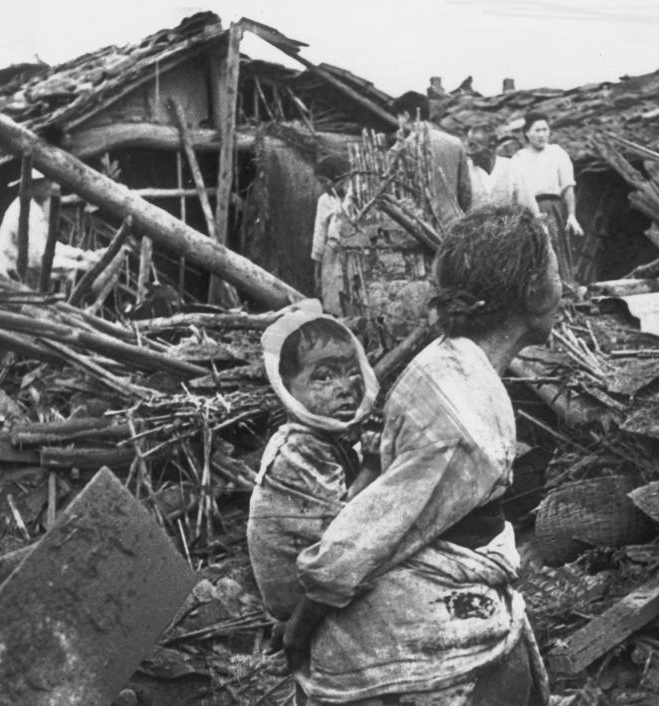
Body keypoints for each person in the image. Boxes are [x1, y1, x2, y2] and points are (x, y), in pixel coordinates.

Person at [285, 206, 559, 705]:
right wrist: (299, 628)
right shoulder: (464, 420)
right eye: (557, 268)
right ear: (535, 291)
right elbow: (358, 540)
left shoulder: (446, 360)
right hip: (415, 650)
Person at [247, 304, 379, 623]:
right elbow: (344, 529)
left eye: (351, 372)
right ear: (288, 389)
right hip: (298, 602)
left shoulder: (324, 439)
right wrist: (373, 467)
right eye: (324, 377)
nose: (345, 387)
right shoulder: (298, 447)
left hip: (312, 586)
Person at [0, 170, 103, 283]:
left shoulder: (34, 208)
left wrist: (81, 255)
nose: (50, 185)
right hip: (4, 280)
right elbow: (38, 259)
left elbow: (49, 246)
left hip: (17, 280)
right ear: (34, 185)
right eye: (46, 181)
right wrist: (78, 266)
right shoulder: (27, 212)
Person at [509, 112, 584, 283]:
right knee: (534, 252)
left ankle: (565, 290)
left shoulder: (557, 153)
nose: (542, 135)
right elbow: (515, 191)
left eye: (545, 130)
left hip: (552, 208)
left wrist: (571, 215)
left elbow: (567, 186)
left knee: (556, 249)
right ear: (527, 133)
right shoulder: (518, 158)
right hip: (528, 210)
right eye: (537, 130)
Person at [390, 91, 472, 234]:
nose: (398, 122)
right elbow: (466, 192)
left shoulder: (400, 150)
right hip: (452, 227)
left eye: (399, 116)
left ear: (406, 115)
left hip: (418, 229)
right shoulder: (455, 143)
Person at [310, 155, 350, 316]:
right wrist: (317, 269)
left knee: (351, 296)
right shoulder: (324, 201)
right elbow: (319, 234)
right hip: (331, 257)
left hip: (352, 254)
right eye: (320, 182)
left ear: (338, 179)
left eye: (325, 181)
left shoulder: (354, 196)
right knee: (332, 298)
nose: (323, 187)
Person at [464, 125, 535, 210]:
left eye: (473, 146)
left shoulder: (512, 167)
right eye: (468, 146)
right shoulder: (464, 171)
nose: (468, 152)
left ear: (491, 146)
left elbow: (528, 204)